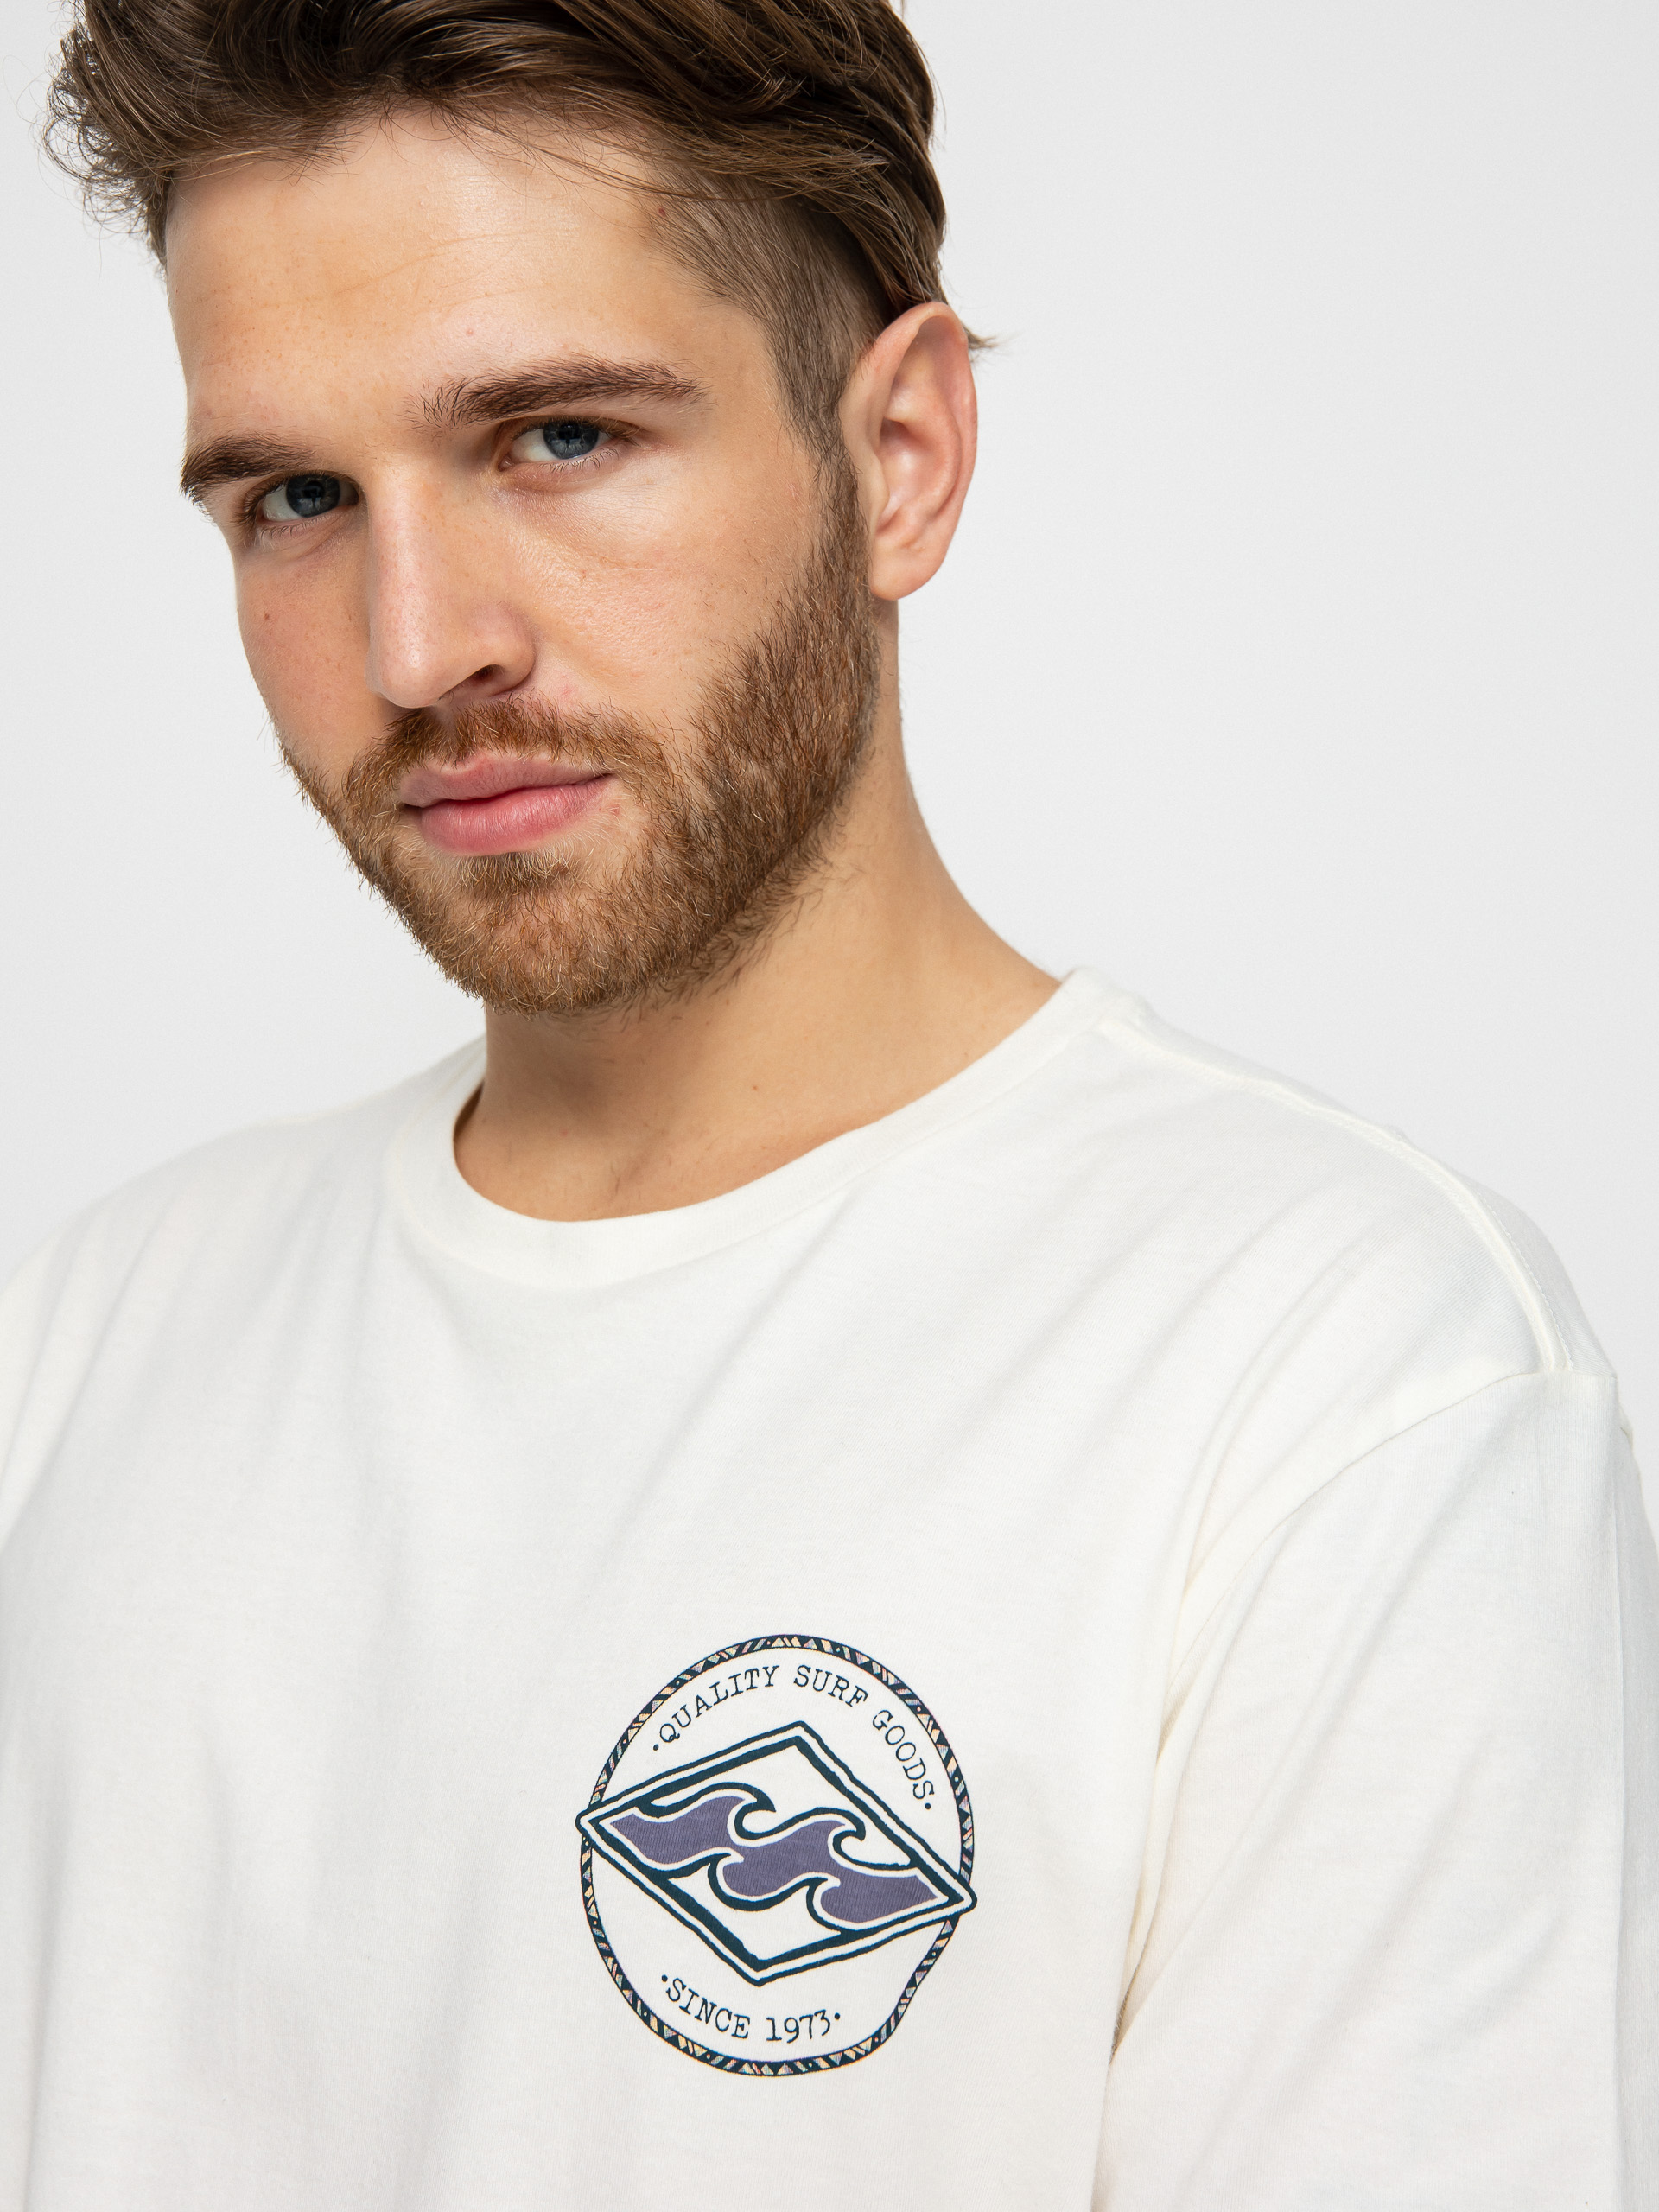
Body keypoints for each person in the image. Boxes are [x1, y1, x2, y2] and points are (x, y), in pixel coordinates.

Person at [3, 0, 1653, 2202]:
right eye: (296, 497)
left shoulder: (1335, 1381)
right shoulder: (89, 1344)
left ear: (902, 456)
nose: (419, 645)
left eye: (559, 436)